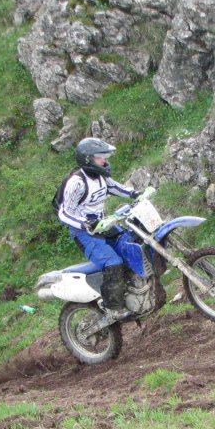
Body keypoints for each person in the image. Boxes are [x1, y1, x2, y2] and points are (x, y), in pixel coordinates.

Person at [57, 137, 139, 319]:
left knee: (130, 244)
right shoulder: (77, 182)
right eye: (99, 157)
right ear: (87, 159)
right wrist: (84, 223)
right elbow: (64, 213)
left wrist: (135, 194)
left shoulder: (102, 177)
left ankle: (133, 290)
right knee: (113, 262)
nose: (104, 160)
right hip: (84, 233)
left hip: (102, 225)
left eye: (104, 156)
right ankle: (113, 307)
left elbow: (117, 188)